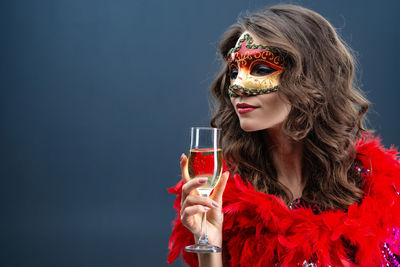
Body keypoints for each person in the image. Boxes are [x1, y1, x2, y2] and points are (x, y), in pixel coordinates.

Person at [168, 4, 400, 266]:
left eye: (261, 69)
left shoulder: (374, 186)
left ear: (311, 78)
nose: (238, 86)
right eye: (234, 72)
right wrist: (208, 241)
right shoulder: (227, 196)